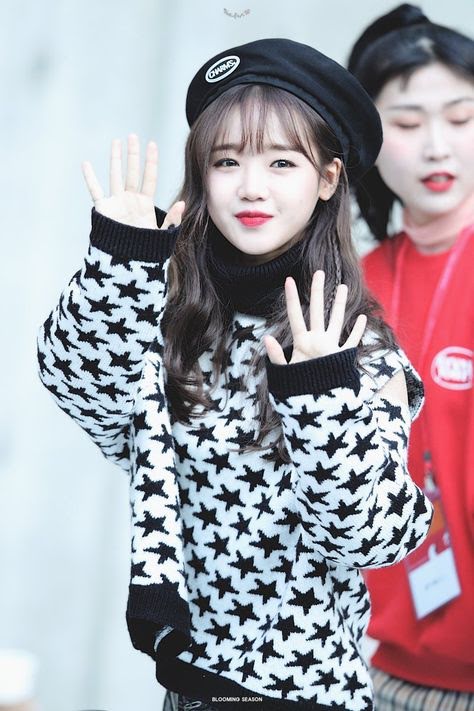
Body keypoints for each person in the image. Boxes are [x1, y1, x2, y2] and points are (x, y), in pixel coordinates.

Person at [37, 38, 432, 711]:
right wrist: (121, 262)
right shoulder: (177, 326)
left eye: (281, 161)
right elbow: (84, 390)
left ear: (327, 179)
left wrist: (321, 395)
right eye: (227, 161)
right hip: (187, 690)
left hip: (301, 697)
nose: (251, 186)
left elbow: (371, 535)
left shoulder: (354, 350)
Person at [348, 5, 474, 709]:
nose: (436, 147)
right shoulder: (343, 291)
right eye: (405, 122)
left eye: (461, 118)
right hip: (381, 677)